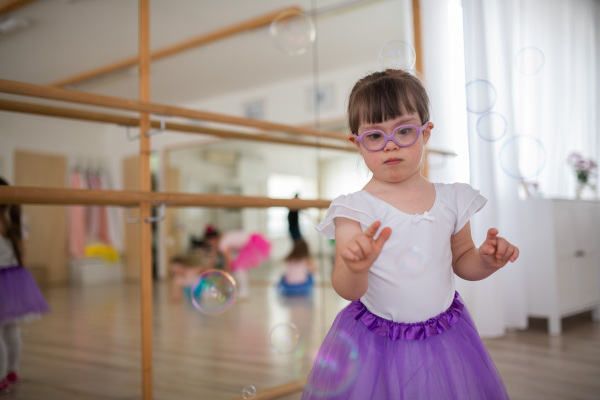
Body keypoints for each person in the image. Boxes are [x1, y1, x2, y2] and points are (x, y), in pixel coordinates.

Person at [301, 71, 519, 400]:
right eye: (375, 136)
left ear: (426, 133)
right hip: (374, 342)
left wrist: (487, 261)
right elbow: (347, 288)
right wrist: (356, 268)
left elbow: (463, 262)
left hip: (444, 335)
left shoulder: (453, 199)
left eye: (404, 130)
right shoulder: (353, 210)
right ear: (357, 143)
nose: (390, 144)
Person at [0, 177, 50, 395]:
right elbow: (23, 252)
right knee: (11, 328)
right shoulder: (15, 219)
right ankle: (12, 371)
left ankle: (1, 378)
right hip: (14, 278)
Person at [217, 228, 271, 300]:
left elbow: (228, 261)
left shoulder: (222, 243)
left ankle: (243, 293)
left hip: (252, 244)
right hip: (254, 241)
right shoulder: (226, 237)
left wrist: (225, 274)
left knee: (239, 268)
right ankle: (243, 291)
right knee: (240, 268)